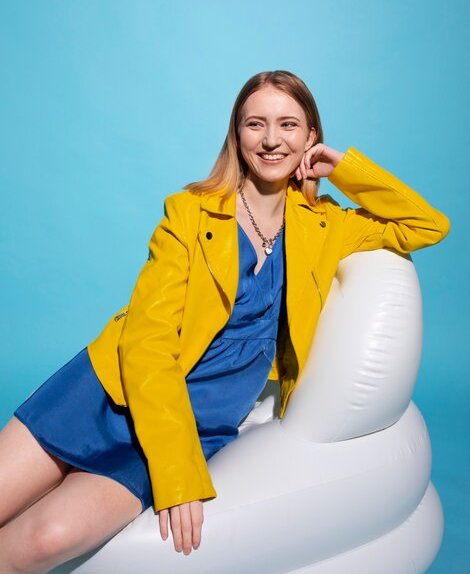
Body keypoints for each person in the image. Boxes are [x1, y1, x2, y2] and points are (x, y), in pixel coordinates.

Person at [0, 70, 450, 573]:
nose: (272, 139)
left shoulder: (328, 226)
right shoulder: (189, 213)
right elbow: (146, 343)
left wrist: (345, 168)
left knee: (44, 540)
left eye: (289, 124)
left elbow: (427, 225)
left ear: (310, 138)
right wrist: (176, 472)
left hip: (197, 421)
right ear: (237, 136)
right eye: (255, 124)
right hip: (109, 391)